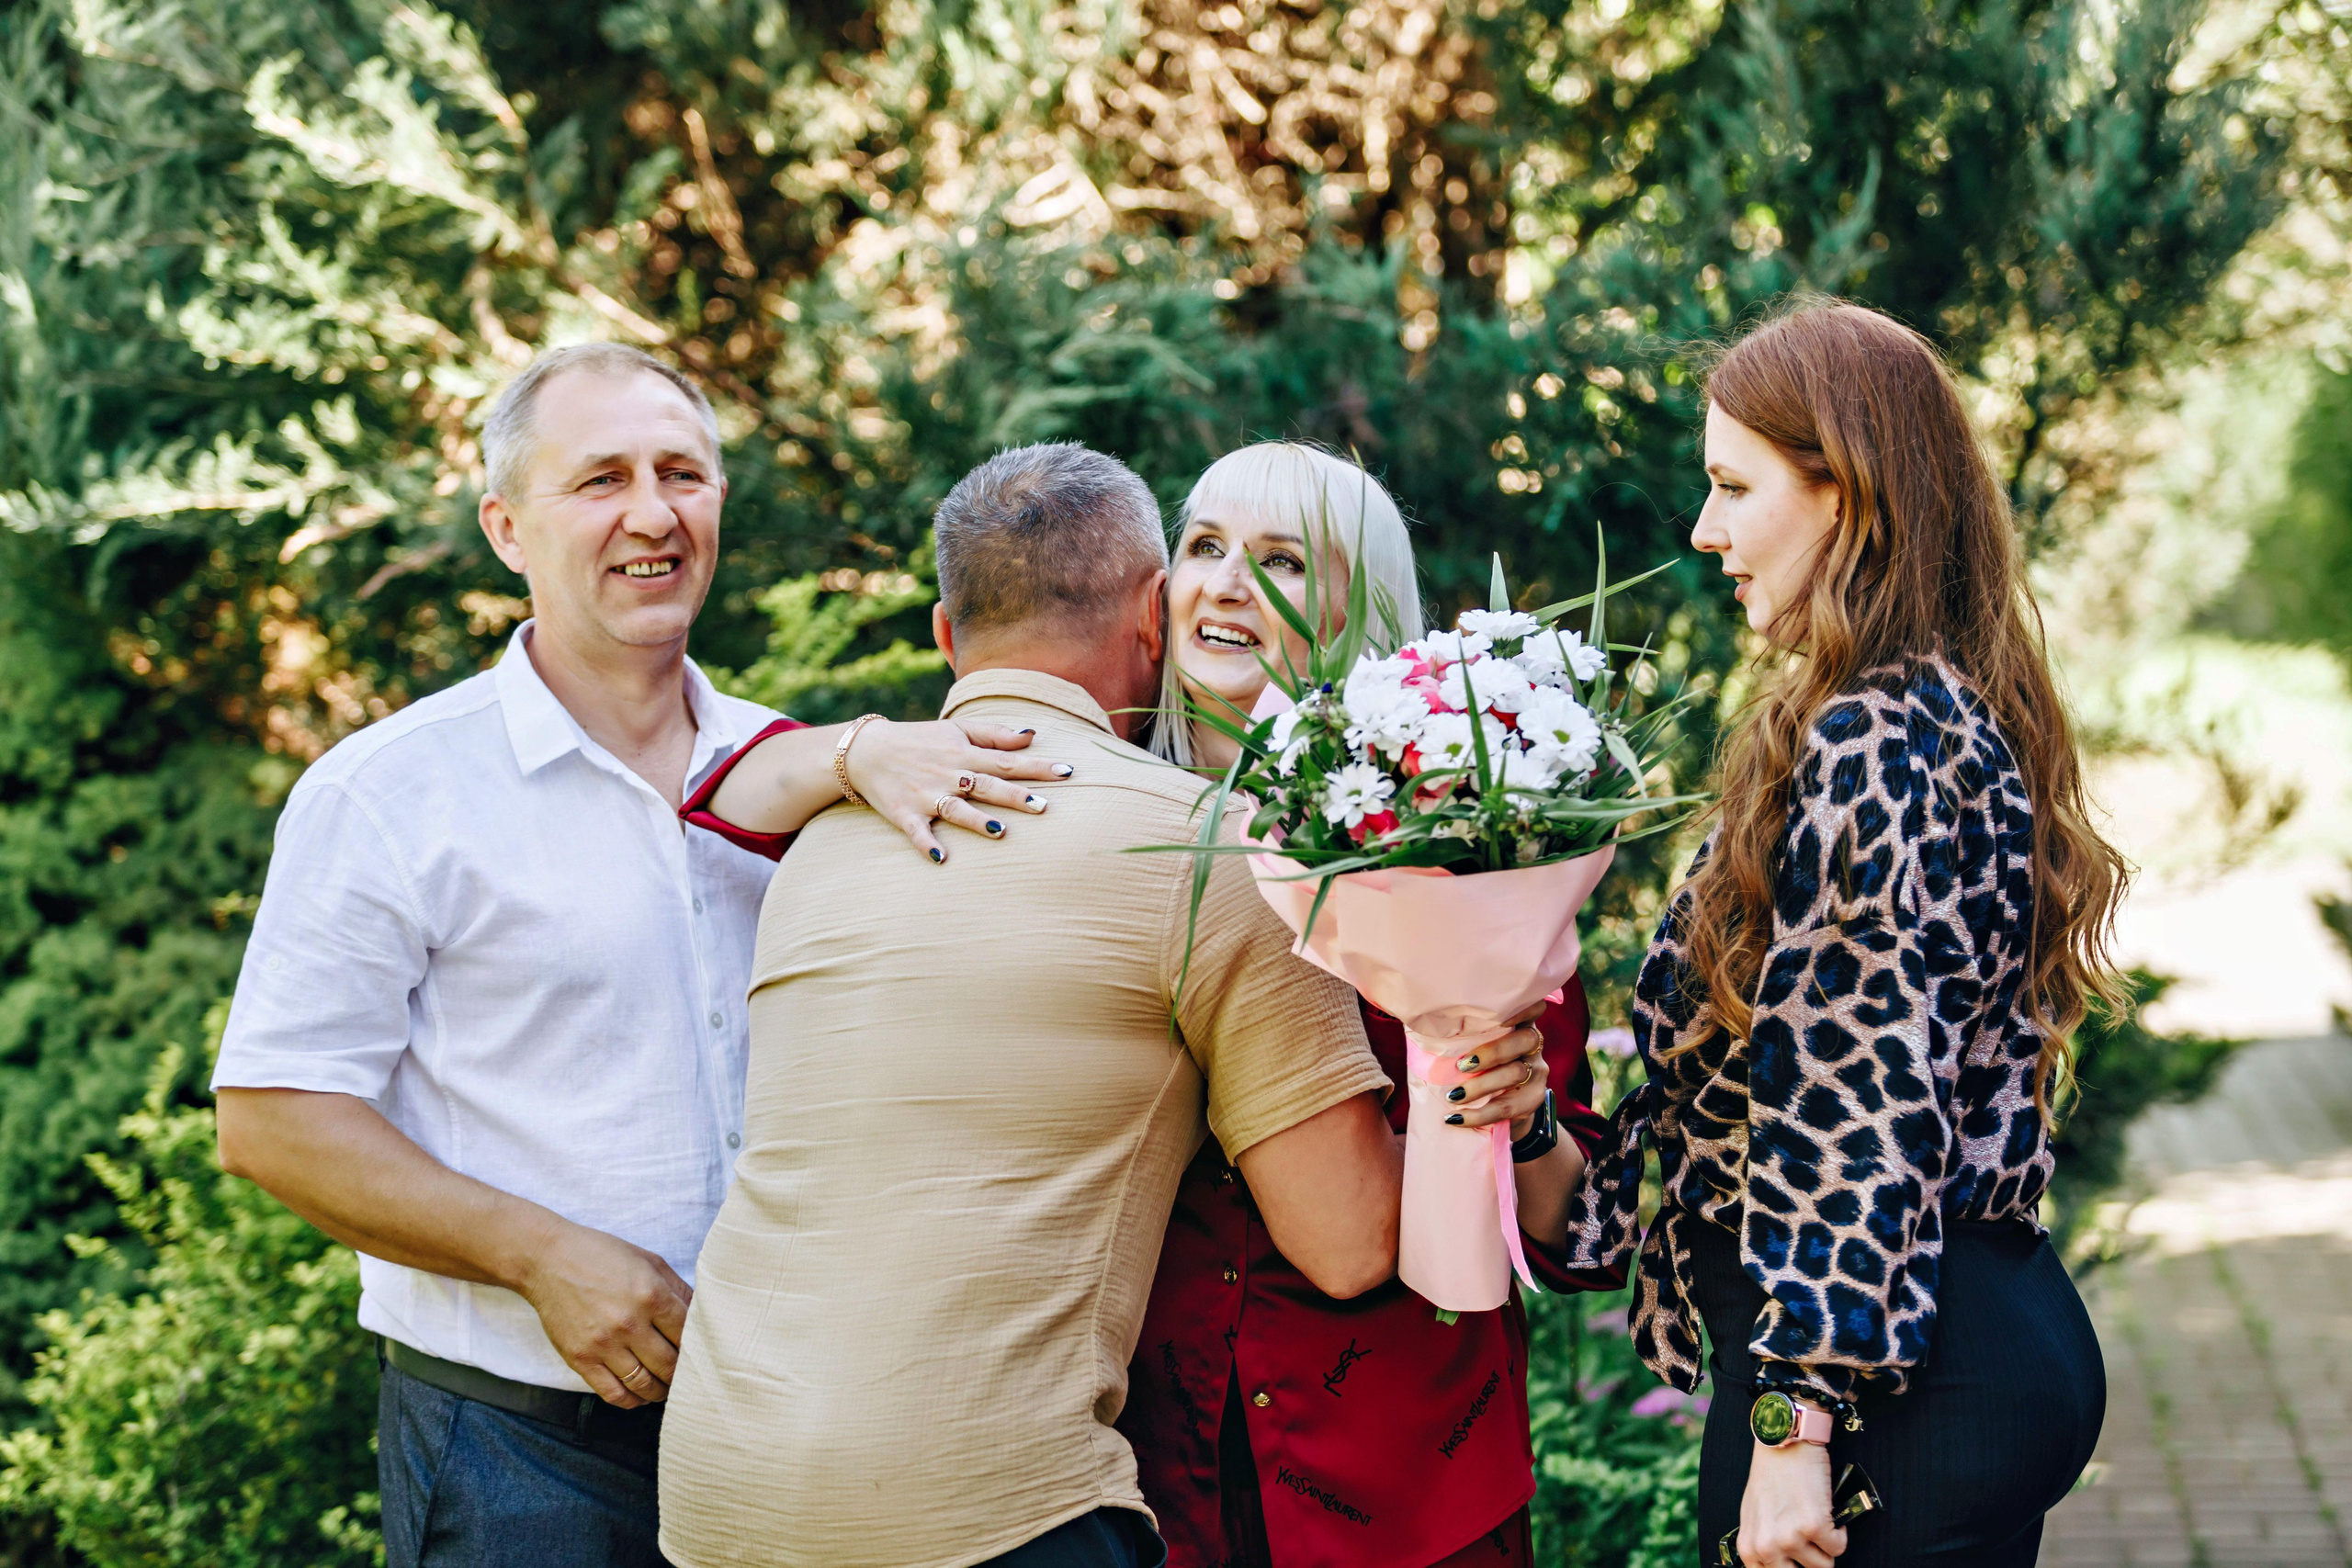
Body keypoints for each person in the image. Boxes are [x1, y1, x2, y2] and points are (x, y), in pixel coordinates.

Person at [209, 343, 1068, 1568]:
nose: (653, 512)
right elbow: (272, 1118)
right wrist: (540, 1255)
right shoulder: (389, 791)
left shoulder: (806, 767)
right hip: (521, 1453)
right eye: (600, 479)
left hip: (798, 1432)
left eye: (684, 472)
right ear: (507, 527)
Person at [656, 441, 1408, 1568]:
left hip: (715, 1493)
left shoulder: (816, 832)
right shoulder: (1206, 853)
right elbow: (1348, 1245)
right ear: (1154, 615)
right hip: (989, 1510)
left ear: (947, 636)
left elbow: (723, 789)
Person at [1560, 300, 2124, 1568]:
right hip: (1945, 1341)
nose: (1705, 528)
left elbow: (1852, 1099)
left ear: (1844, 493)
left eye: (1731, 484)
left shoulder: (1875, 733)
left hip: (1880, 1388)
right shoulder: (1921, 706)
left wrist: (1791, 1422)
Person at [1114, 442, 1612, 1568]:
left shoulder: (1477, 847)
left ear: (1359, 606)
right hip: (1152, 1463)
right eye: (1203, 546)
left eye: (1281, 560)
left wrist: (1520, 1113)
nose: (1226, 583)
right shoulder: (1099, 809)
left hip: (1414, 1479)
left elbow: (1579, 1230)